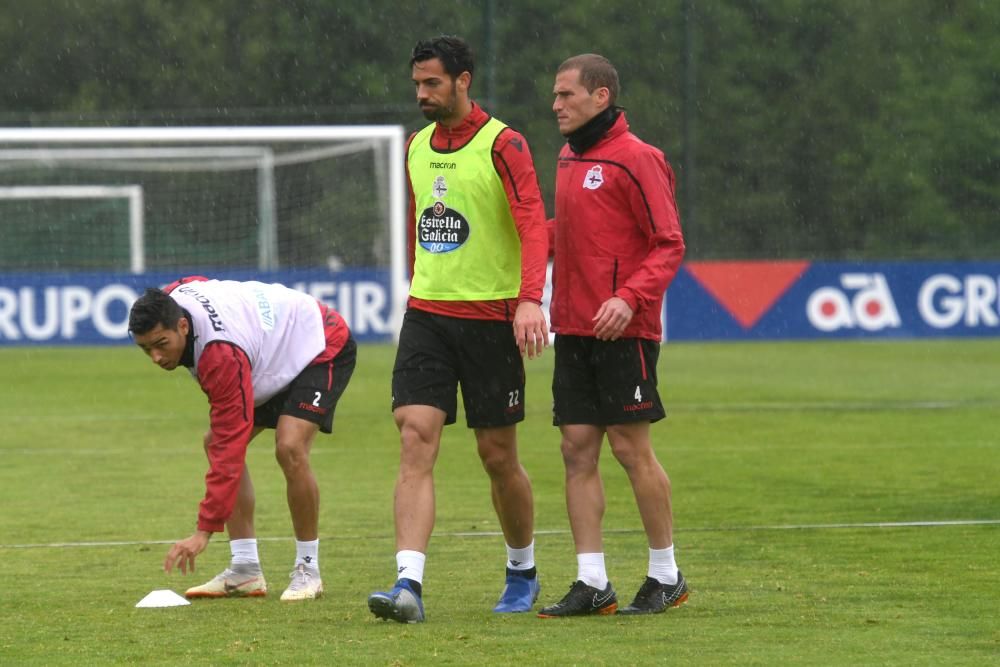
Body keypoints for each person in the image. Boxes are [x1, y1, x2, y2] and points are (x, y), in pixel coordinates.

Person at [367, 35, 549, 624]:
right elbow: (421, 223)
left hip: (492, 321)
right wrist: (418, 288)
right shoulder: (416, 146)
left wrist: (529, 300)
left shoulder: (505, 144)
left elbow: (532, 224)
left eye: (432, 84)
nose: (421, 94)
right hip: (428, 316)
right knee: (415, 436)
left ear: (463, 80)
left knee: (498, 456)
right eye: (417, 84)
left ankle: (521, 569)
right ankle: (408, 586)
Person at [536, 54, 688, 618]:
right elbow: (571, 233)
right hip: (572, 326)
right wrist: (522, 235)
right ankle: (592, 582)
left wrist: (630, 297)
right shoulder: (567, 159)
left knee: (630, 449)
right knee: (576, 450)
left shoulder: (638, 158)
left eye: (566, 95)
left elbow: (668, 241)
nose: (556, 105)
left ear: (601, 97)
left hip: (625, 328)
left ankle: (665, 573)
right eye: (555, 96)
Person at [128, 276, 355, 602]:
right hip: (269, 353)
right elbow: (197, 281)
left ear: (182, 325)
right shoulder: (171, 299)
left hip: (319, 342)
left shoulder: (219, 356)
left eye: (161, 344)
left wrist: (203, 532)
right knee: (214, 442)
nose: (156, 358)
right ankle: (245, 569)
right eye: (145, 348)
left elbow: (230, 446)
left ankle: (308, 568)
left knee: (289, 447)